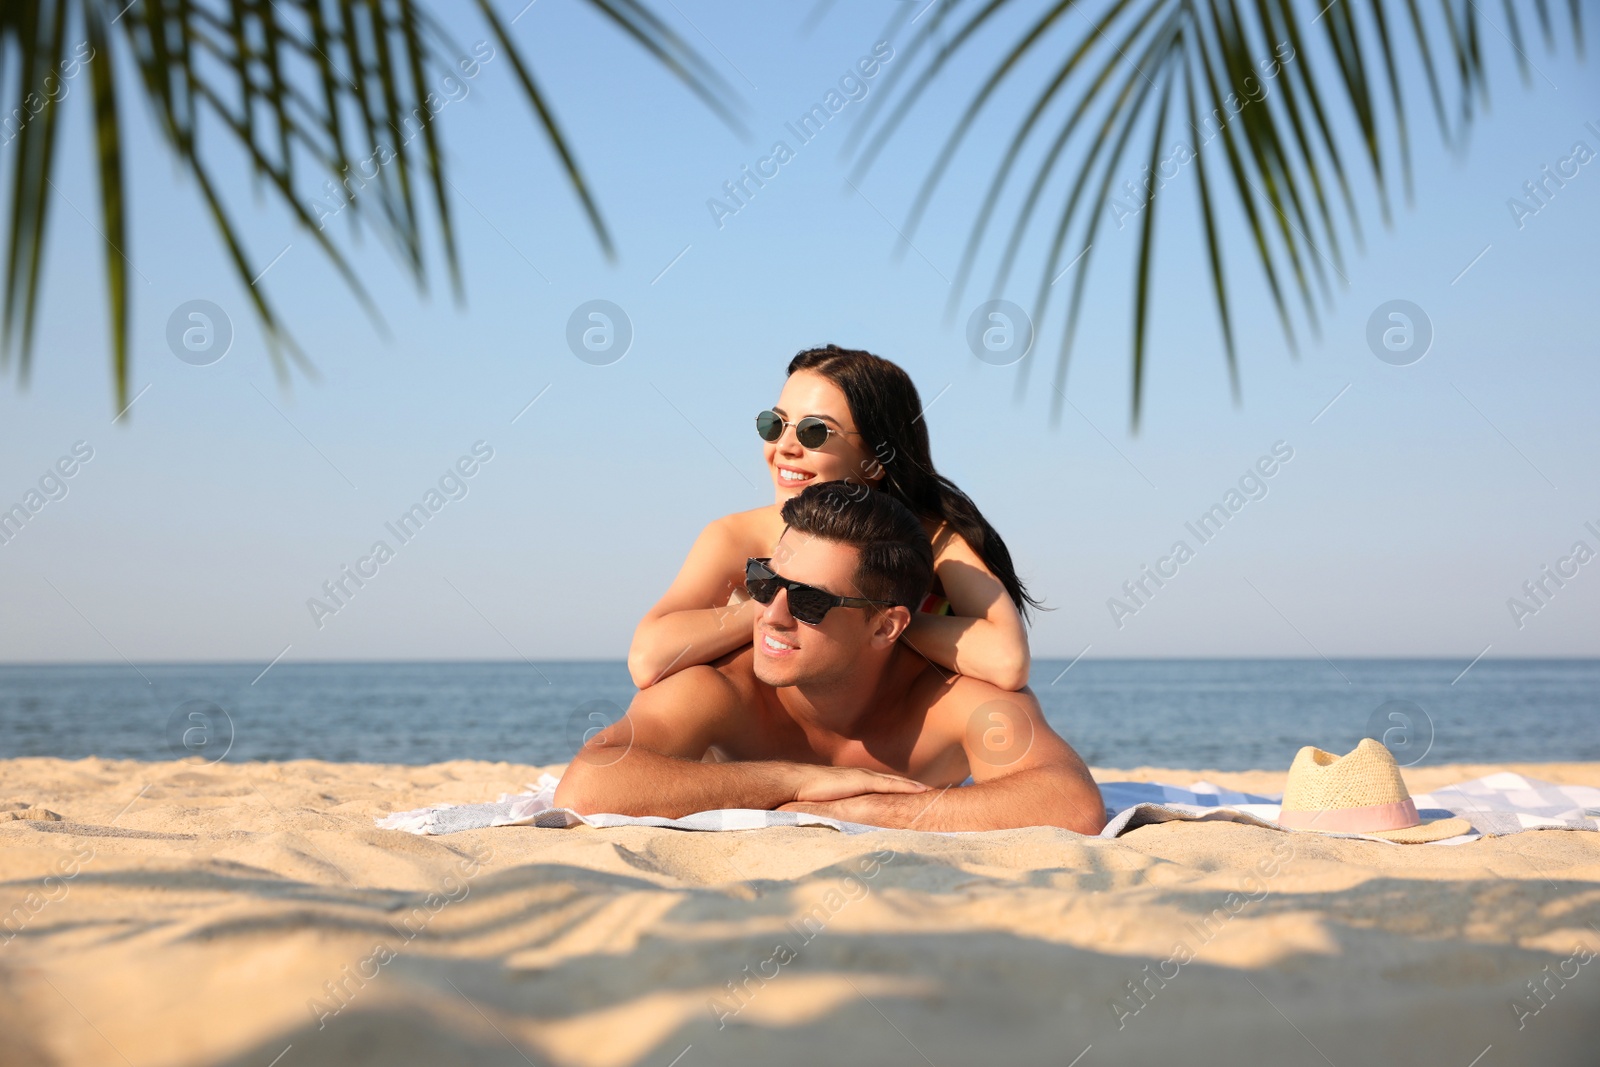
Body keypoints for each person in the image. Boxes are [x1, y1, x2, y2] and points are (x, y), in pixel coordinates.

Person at [559, 482, 1104, 834]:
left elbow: (1069, 802)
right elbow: (589, 785)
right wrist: (794, 782)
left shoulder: (949, 698)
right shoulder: (723, 684)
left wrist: (856, 810)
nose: (769, 615)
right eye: (764, 582)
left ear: (885, 626)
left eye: (810, 601)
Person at [627, 345, 1039, 693]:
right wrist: (775, 605)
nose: (785, 446)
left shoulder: (936, 543)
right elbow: (649, 658)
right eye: (775, 424)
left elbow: (1007, 661)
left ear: (876, 461)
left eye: (813, 432)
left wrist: (863, 618)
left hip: (895, 755)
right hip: (769, 750)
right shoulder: (739, 537)